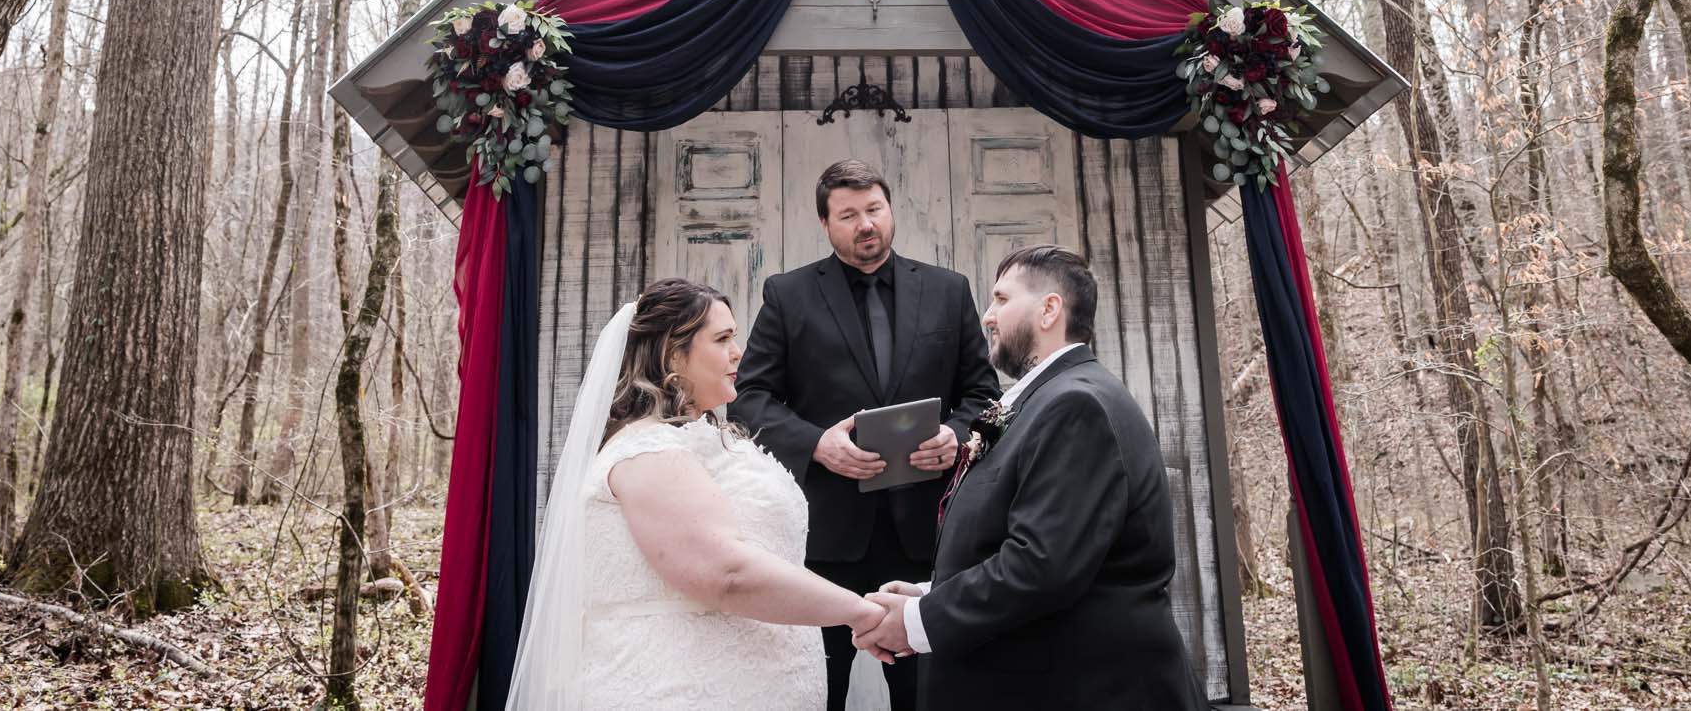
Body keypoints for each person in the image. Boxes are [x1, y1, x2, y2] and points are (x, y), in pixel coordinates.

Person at [852, 244, 1206, 711]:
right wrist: (929, 593)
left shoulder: (1076, 406)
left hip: (1086, 689)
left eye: (1001, 299)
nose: (987, 316)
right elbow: (1019, 541)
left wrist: (917, 621)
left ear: (1049, 310)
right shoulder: (1045, 399)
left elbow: (1041, 566)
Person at [505, 277, 878, 711]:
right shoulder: (645, 451)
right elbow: (727, 572)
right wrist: (860, 611)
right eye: (722, 339)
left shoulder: (707, 441)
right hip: (677, 692)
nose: (737, 352)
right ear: (672, 354)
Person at [731, 159, 1002, 711]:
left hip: (928, 538)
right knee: (818, 691)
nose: (866, 224)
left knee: (925, 696)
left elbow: (984, 397)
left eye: (874, 209)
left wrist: (956, 435)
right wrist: (816, 445)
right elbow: (748, 397)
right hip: (825, 542)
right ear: (825, 224)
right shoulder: (788, 294)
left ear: (890, 210)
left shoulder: (949, 291)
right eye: (848, 215)